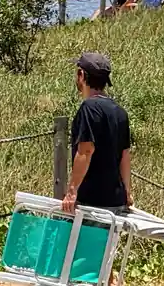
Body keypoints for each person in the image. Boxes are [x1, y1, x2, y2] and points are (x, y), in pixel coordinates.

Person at [62, 53, 132, 214]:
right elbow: (125, 155)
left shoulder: (89, 108)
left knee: (82, 240)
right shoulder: (120, 112)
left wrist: (72, 191)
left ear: (81, 75)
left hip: (92, 201)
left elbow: (86, 150)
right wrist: (127, 191)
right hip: (116, 201)